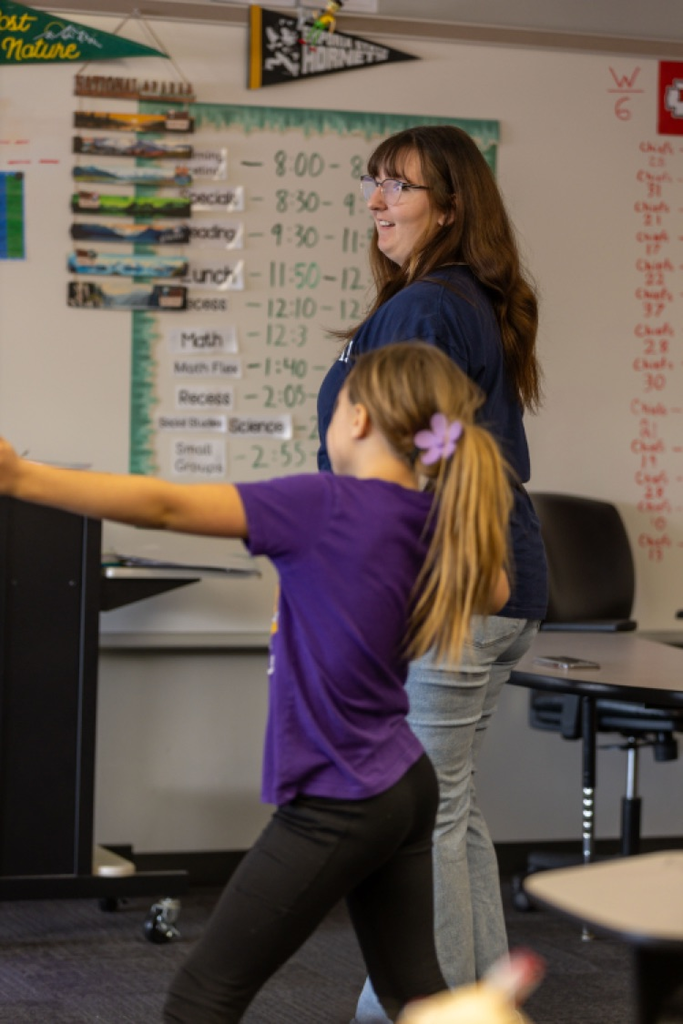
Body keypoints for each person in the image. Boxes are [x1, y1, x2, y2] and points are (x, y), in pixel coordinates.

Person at [0, 341, 513, 1024]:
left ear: (356, 419)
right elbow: (500, 588)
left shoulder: (324, 503)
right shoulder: (433, 521)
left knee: (200, 998)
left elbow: (166, 506)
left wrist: (20, 478)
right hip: (404, 783)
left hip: (345, 792)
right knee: (416, 998)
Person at [316, 125, 549, 1020]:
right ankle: (479, 1001)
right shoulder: (448, 302)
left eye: (399, 187)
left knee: (419, 819)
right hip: (487, 576)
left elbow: (430, 453)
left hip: (453, 582)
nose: (375, 200)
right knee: (448, 808)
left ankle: (422, 1009)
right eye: (371, 182)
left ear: (450, 208)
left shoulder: (425, 310)